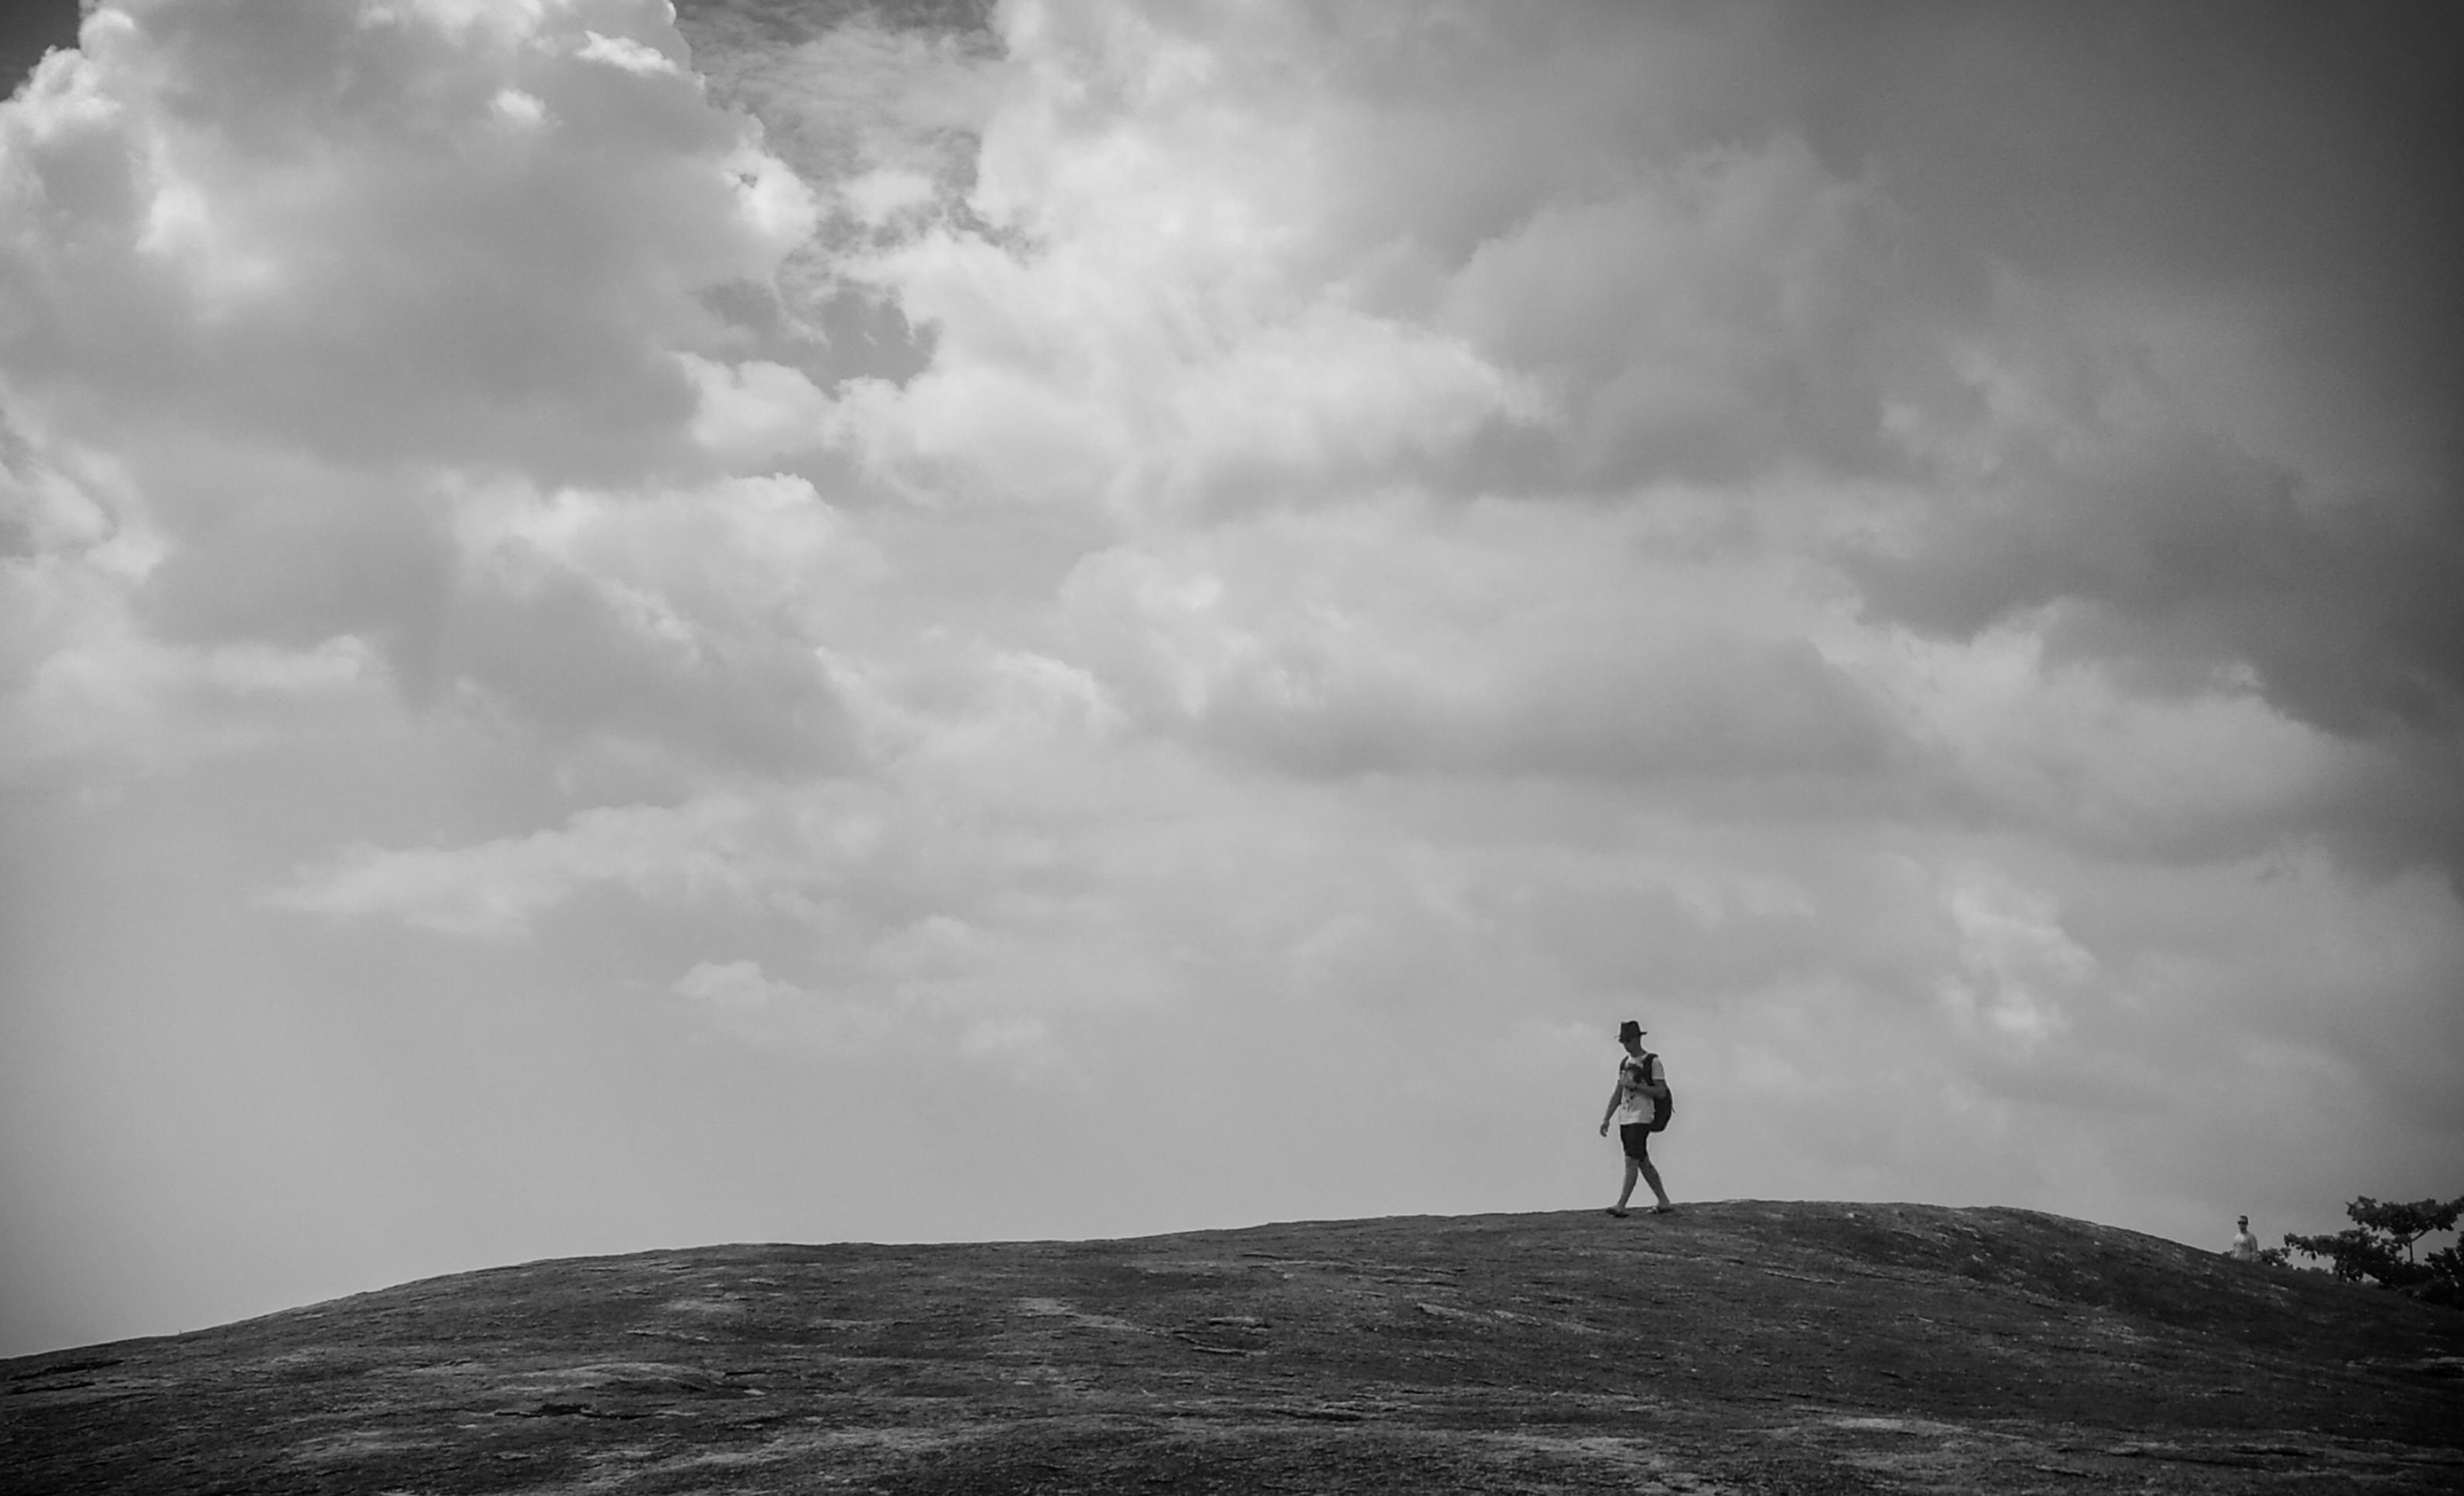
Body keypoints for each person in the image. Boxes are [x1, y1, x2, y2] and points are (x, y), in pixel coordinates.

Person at [1598, 1018, 1674, 1217]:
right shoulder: (1625, 1063)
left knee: (1631, 1160)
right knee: (1641, 1161)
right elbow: (1618, 1091)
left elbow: (1661, 1091)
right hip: (1626, 1117)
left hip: (1642, 1117)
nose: (1626, 1045)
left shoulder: (1652, 1062)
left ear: (1637, 1039)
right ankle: (1664, 1200)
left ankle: (1621, 1204)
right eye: (1623, 1042)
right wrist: (1607, 1118)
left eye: (1628, 1041)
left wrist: (1637, 1086)